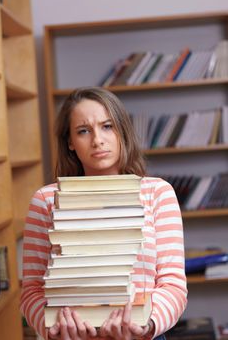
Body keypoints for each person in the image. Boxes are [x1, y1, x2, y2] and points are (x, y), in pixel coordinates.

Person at [20, 86, 187, 340]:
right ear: (70, 142)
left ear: (122, 132)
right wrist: (52, 330)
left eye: (107, 126)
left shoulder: (157, 193)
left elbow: (173, 285)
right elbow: (31, 289)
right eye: (83, 131)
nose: (97, 140)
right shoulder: (46, 200)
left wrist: (147, 326)